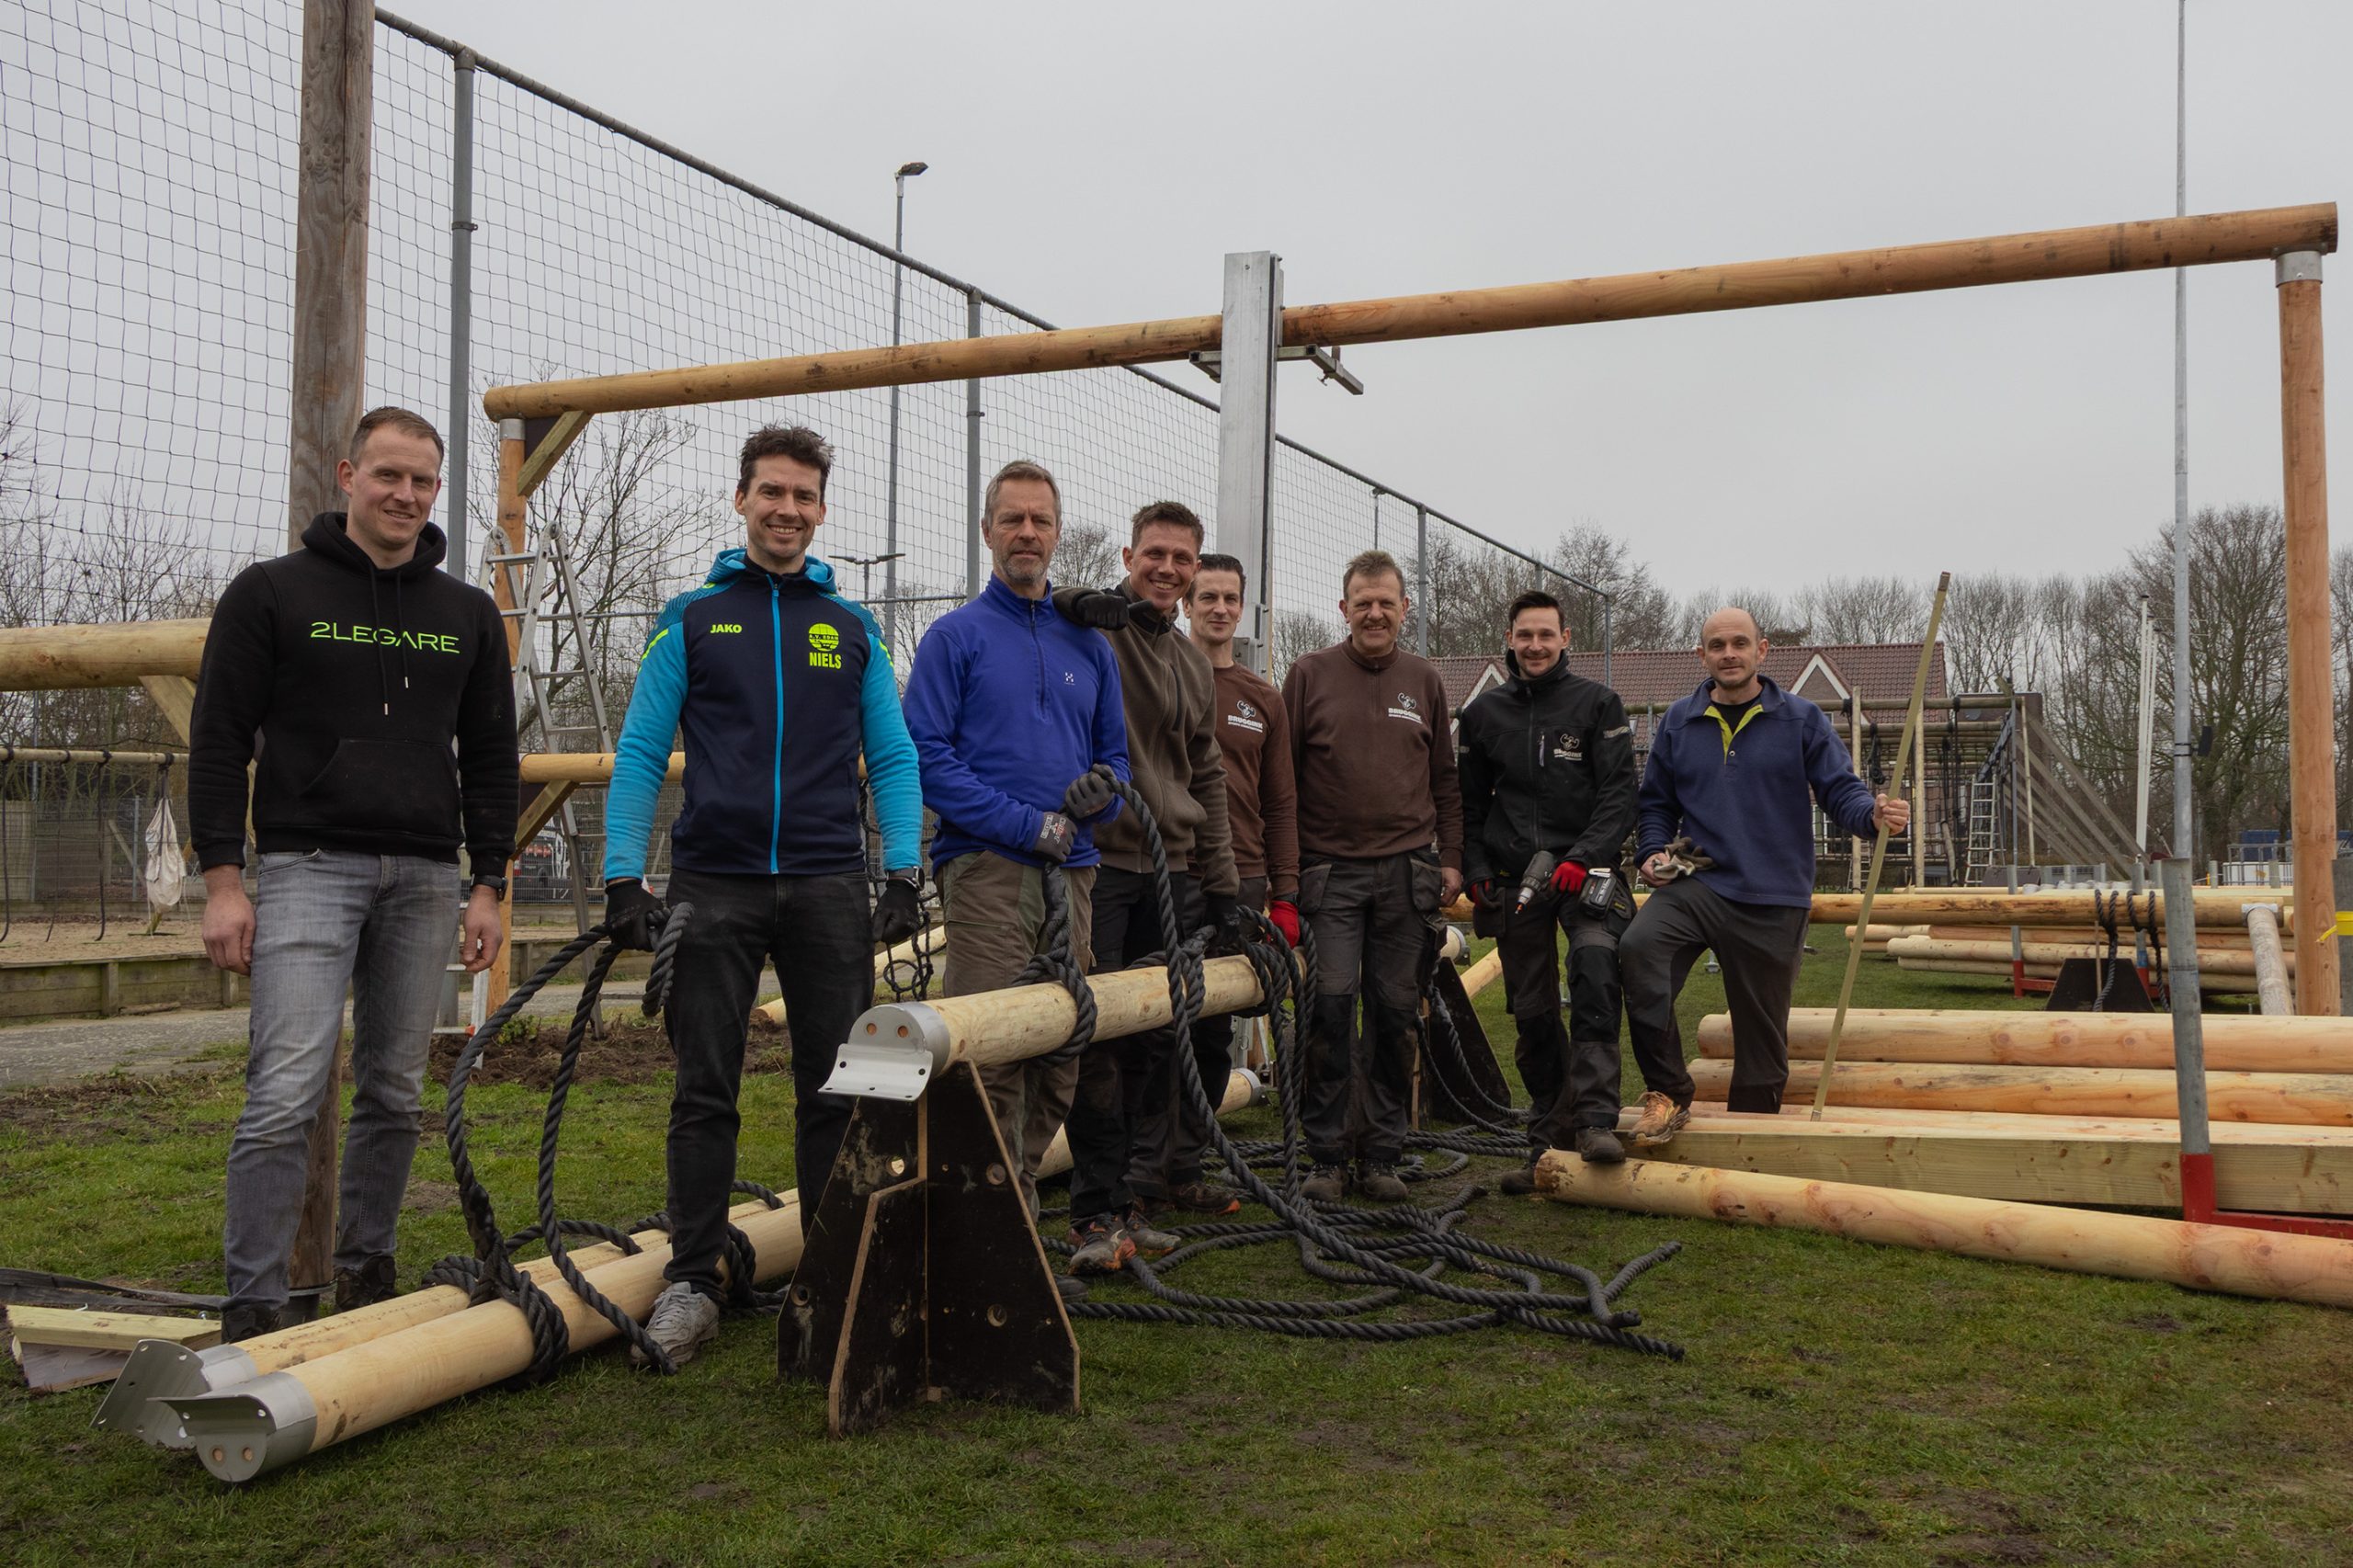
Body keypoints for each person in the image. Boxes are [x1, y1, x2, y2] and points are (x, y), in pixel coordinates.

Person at [191, 405, 517, 1344]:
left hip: (426, 874)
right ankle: (254, 1305)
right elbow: (217, 741)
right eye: (387, 475)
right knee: (285, 1089)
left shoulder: (465, 614)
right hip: (307, 866)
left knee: (394, 1091)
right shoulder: (271, 592)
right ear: (348, 476)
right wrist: (223, 881)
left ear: (437, 490)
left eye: (422, 481)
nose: (404, 495)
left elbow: (491, 757)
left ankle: (366, 1273)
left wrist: (487, 883)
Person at [601, 424, 922, 1369]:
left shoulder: (852, 628)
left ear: (821, 509)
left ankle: (832, 1277)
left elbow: (894, 755)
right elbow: (640, 751)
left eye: (803, 495)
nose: (787, 509)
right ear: (741, 499)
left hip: (828, 884)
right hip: (715, 884)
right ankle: (692, 1282)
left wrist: (905, 873)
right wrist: (622, 876)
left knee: (839, 1088)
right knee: (704, 1089)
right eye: (771, 492)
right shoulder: (691, 617)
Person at [904, 460, 1129, 1290]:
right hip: (989, 870)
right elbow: (926, 755)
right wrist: (1022, 823)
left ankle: (1012, 1213)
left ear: (1057, 533)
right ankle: (987, 1244)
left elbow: (1116, 759)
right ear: (988, 531)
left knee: (1061, 1049)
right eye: (1012, 519)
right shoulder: (955, 637)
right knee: (991, 1054)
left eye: (1040, 520)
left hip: (1075, 875)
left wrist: (1103, 793)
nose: (1027, 533)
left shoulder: (1090, 646)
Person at [1619, 606, 1909, 1134]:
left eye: (1739, 643)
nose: (1728, 654)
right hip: (1696, 875)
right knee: (1640, 950)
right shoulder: (1679, 721)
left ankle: (1750, 1137)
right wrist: (1653, 851)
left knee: (1761, 1035)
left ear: (1762, 650)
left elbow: (1839, 789)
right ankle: (1669, 1092)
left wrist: (1872, 815)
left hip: (1774, 891)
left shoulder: (1801, 719)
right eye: (1717, 645)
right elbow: (1656, 803)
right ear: (1701, 655)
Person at [1050, 503, 1242, 1275]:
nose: (1167, 569)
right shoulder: (1096, 629)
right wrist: (1082, 600)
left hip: (1171, 870)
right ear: (1129, 557)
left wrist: (1222, 883)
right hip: (1102, 863)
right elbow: (1050, 605)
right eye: (1154, 554)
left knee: (1155, 1036)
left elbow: (1207, 774)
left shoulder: (1192, 664)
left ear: (1194, 569)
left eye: (1181, 558)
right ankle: (1091, 1212)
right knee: (1095, 1037)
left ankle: (1127, 1199)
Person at [1282, 549, 1463, 1203]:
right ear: (1344, 608)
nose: (1376, 613)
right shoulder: (1308, 674)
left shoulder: (1426, 680)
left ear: (1404, 608)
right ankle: (1327, 1155)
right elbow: (1283, 781)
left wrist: (1451, 859)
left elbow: (1445, 778)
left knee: (1395, 1015)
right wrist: (1286, 873)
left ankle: (1383, 1152)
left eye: (1387, 602)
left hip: (1407, 874)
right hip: (1329, 874)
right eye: (1364, 603)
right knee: (1329, 1010)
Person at [1455, 590, 1638, 1188]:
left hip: (1586, 876)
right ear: (1509, 640)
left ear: (1565, 640)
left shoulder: (1598, 705)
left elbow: (1619, 796)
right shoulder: (1483, 715)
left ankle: (1595, 1121)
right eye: (1524, 635)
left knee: (1594, 970)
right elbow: (1468, 804)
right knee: (1532, 1010)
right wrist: (1477, 866)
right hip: (1516, 883)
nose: (1535, 645)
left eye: (1545, 635)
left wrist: (1584, 857)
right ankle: (1548, 1138)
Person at [1182, 550, 1301, 1200]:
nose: (1220, 608)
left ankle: (1186, 1164)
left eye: (1230, 598)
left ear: (1243, 608)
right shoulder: (1161, 675)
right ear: (1187, 604)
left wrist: (1286, 895)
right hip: (1173, 875)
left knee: (1212, 1029)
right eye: (1208, 597)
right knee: (1152, 1023)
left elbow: (1281, 804)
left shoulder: (1263, 698)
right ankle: (1141, 1168)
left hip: (1245, 879)